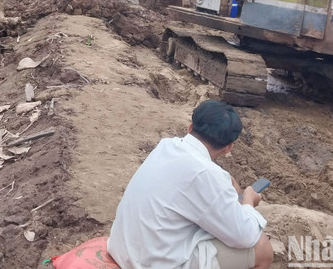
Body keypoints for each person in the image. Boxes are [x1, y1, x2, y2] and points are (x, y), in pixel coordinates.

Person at [107, 100, 273, 269]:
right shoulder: (208, 176)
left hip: (123, 249)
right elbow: (244, 237)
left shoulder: (166, 146)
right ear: (228, 147)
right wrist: (248, 202)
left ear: (190, 127)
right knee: (262, 248)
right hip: (150, 263)